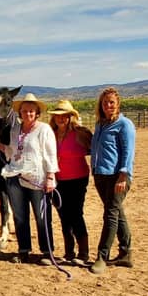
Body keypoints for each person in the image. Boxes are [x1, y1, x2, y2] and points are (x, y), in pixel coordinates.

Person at [0, 93, 58, 265]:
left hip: (37, 178)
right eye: (24, 111)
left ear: (37, 112)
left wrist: (50, 176)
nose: (28, 114)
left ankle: (47, 251)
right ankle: (24, 250)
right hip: (15, 176)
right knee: (20, 216)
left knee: (41, 216)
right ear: (20, 113)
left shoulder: (44, 129)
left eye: (31, 111)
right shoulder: (15, 129)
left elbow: (50, 155)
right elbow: (11, 151)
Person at [90, 87, 136, 274]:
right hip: (100, 175)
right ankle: (125, 253)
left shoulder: (124, 124)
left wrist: (123, 175)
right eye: (105, 102)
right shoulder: (100, 125)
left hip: (117, 176)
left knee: (110, 214)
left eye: (111, 102)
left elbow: (128, 152)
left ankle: (102, 256)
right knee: (117, 213)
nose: (108, 105)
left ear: (118, 104)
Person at [48, 100, 92, 265]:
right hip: (58, 179)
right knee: (63, 215)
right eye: (58, 115)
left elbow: (94, 149)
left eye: (65, 115)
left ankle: (84, 252)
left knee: (76, 213)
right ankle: (69, 251)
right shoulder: (50, 133)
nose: (61, 118)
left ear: (70, 117)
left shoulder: (81, 133)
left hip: (78, 179)